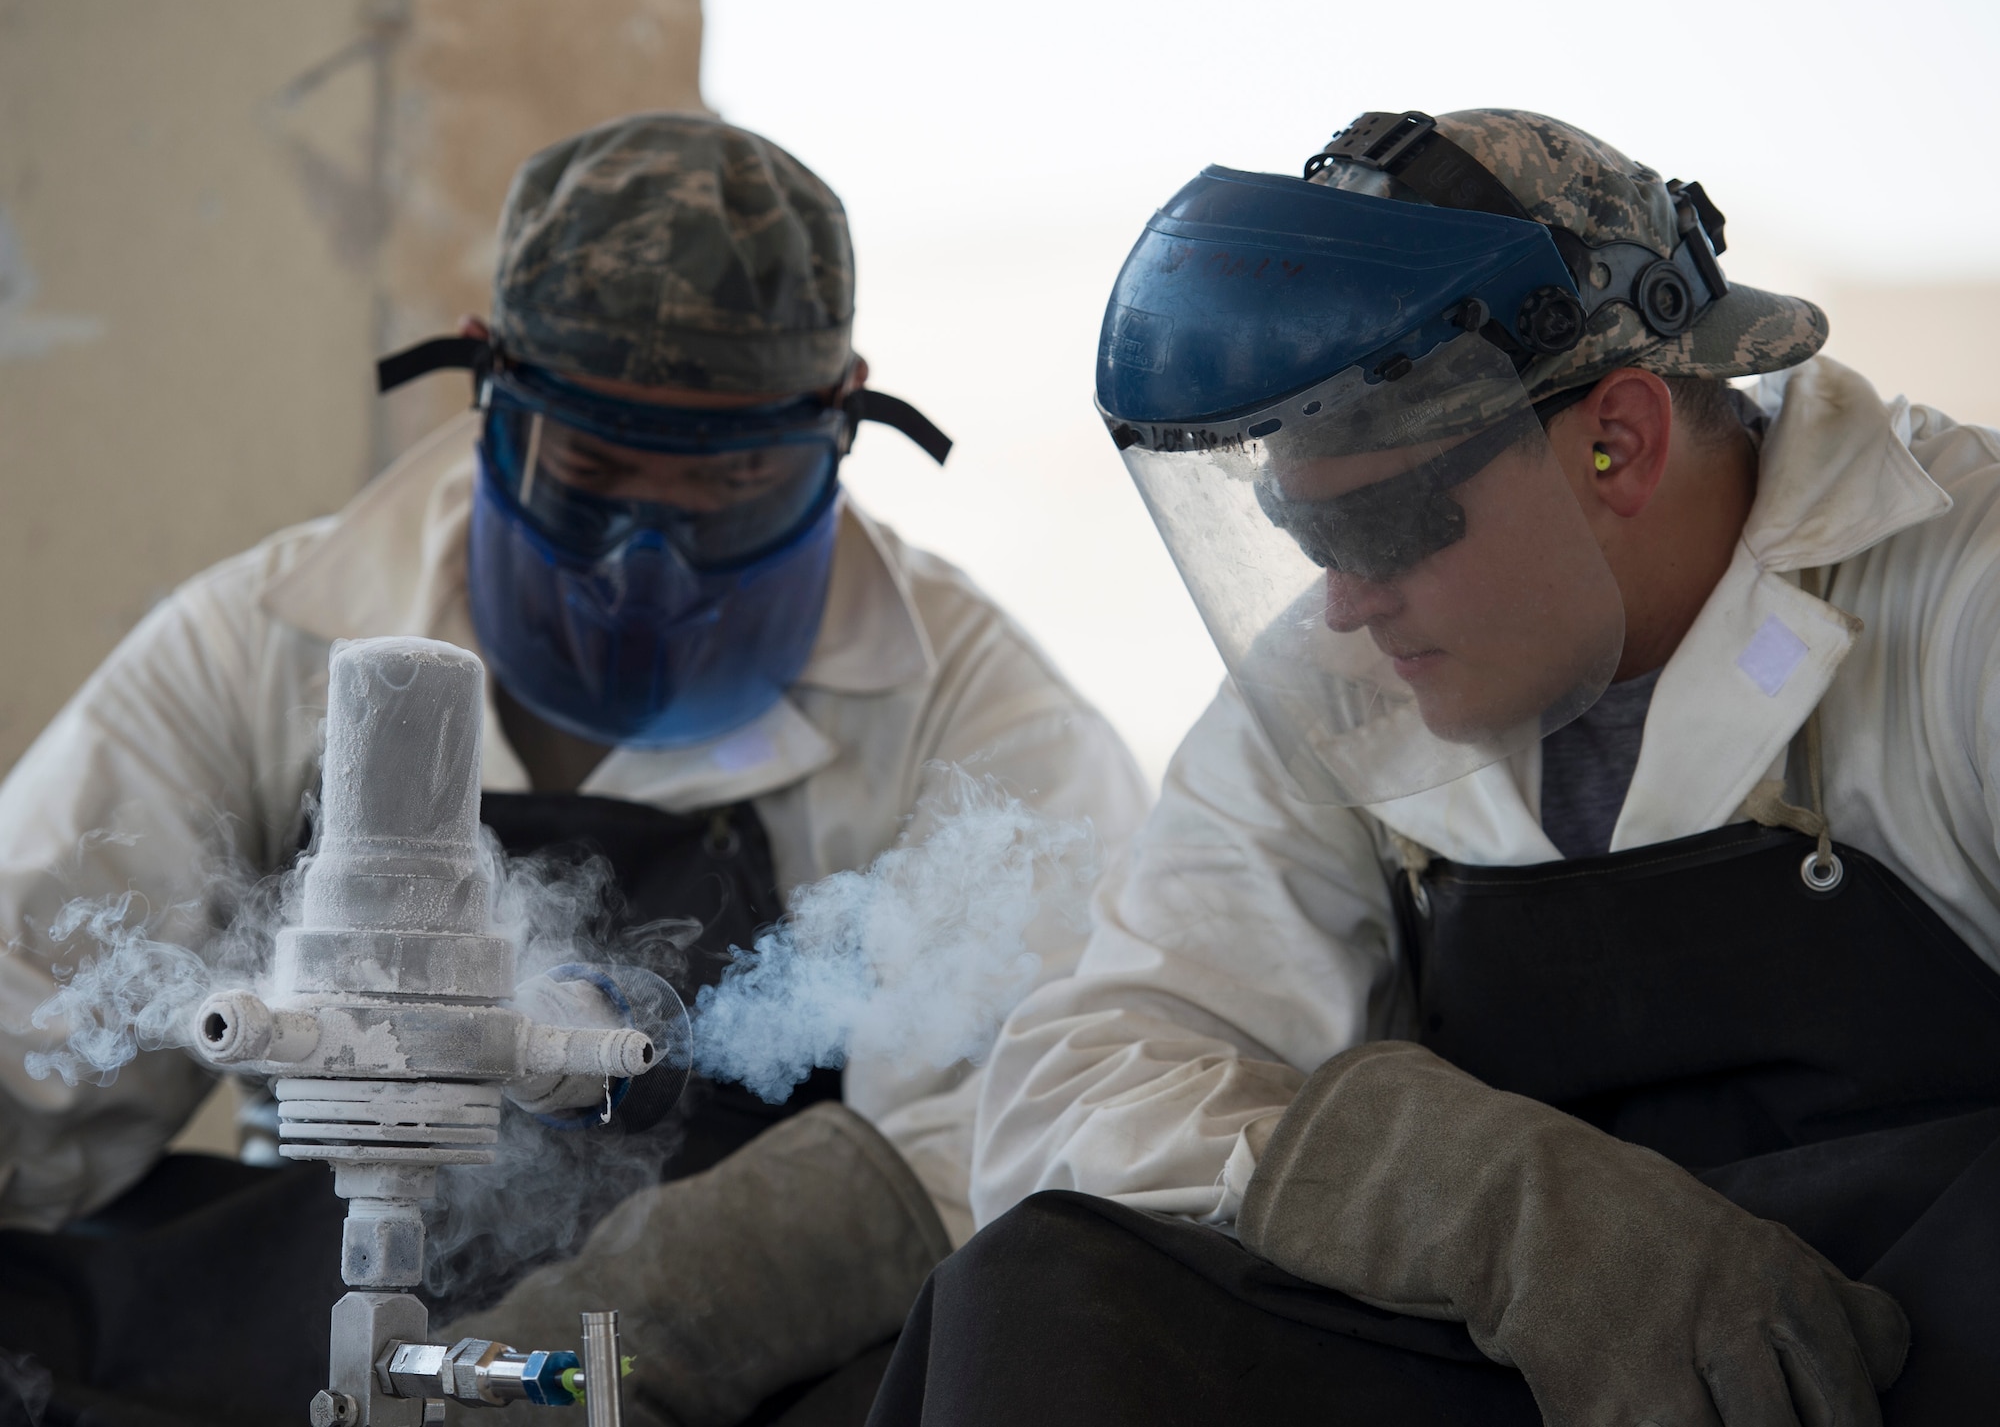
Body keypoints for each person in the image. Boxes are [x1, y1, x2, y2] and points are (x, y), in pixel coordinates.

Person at [0, 113, 1147, 1427]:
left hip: (751, 1362)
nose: (640, 570)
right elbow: (27, 1001)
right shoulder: (260, 643)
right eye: (590, 475)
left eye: (733, 488)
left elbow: (1030, 1132)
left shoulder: (974, 716)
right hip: (310, 1300)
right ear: (488, 394)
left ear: (840, 428)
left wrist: (669, 1306)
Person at [869, 110, 2000, 1426]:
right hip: (1543, 1375)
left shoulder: (1961, 592)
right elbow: (1078, 1086)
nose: (1344, 603)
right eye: (1305, 530)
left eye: (1387, 523)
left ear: (1615, 441)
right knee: (1046, 1287)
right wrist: (1453, 1192)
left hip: (1918, 1361)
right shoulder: (1340, 684)